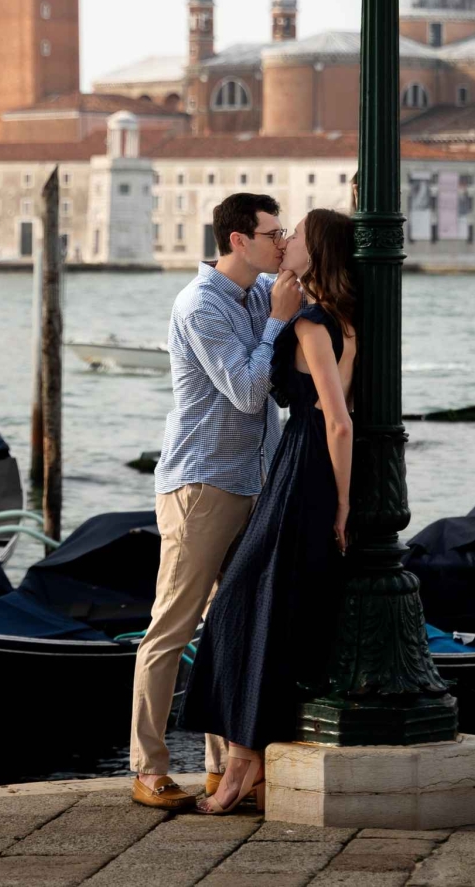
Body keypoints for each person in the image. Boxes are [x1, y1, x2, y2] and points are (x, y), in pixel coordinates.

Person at [178, 208, 358, 815]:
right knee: (267, 612)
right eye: (279, 235)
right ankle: (244, 765)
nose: (286, 245)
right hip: (297, 469)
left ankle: (238, 769)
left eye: (296, 237)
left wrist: (342, 502)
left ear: (317, 252)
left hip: (299, 471)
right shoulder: (344, 320)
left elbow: (338, 422)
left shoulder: (306, 321)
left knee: (237, 610)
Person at [129, 192, 303, 810]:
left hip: (253, 481)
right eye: (272, 232)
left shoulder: (260, 291)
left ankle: (220, 769)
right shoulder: (200, 304)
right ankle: (147, 766)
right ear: (238, 239)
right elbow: (249, 393)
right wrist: (281, 321)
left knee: (230, 625)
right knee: (171, 627)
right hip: (200, 484)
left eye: (284, 232)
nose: (281, 242)